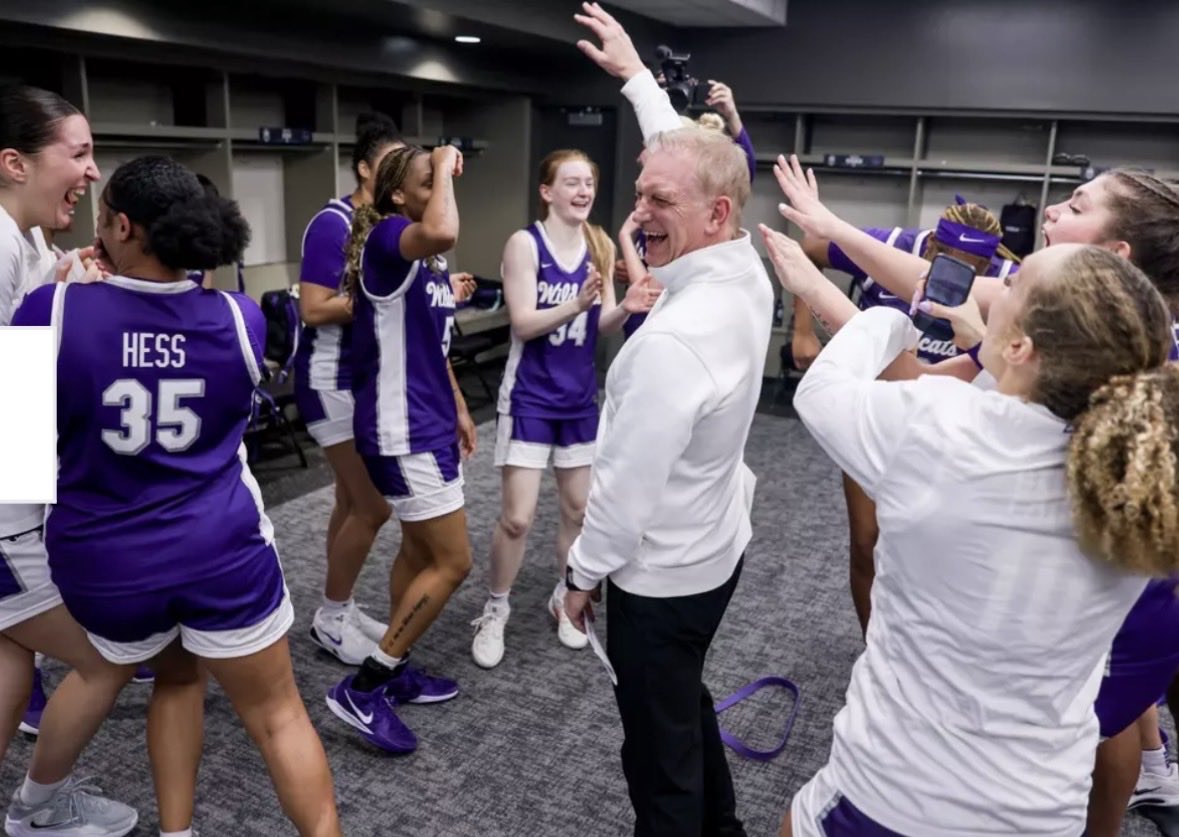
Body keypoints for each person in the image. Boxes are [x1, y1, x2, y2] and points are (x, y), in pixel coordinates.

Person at [772, 153, 1179, 836]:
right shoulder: (1139, 457)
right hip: (1037, 806)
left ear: (1022, 344)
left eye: (1006, 295)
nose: (986, 296)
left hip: (894, 795)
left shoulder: (939, 428)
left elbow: (849, 395)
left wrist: (850, 306)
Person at [13, 155, 341, 837]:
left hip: (107, 566)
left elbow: (17, 446)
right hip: (220, 550)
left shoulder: (53, 306)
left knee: (179, 677)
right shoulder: (240, 318)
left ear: (122, 226)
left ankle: (176, 832)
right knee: (279, 715)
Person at [566, 6, 771, 834]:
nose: (639, 210)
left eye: (658, 200)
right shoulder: (741, 266)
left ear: (716, 217)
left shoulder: (671, 341)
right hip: (715, 549)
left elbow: (621, 491)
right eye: (638, 190)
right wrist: (637, 81)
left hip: (659, 580)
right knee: (683, 710)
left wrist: (580, 579)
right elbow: (692, 164)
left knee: (656, 755)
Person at [0, 83, 141, 837]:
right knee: (107, 656)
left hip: (19, 496)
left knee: (13, 658)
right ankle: (38, 809)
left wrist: (61, 288)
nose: (92, 172)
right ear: (15, 162)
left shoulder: (25, 242)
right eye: (78, 154)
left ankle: (30, 808)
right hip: (4, 509)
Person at [469, 149, 659, 669]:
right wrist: (575, 304)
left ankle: (564, 595)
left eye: (589, 183)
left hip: (578, 401)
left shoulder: (598, 244)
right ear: (547, 191)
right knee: (516, 518)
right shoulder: (524, 244)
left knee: (578, 511)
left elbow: (599, 326)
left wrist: (626, 307)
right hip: (530, 398)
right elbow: (523, 324)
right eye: (571, 182)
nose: (583, 191)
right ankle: (495, 608)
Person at [793, 202, 1021, 636]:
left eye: (976, 269)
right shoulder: (891, 246)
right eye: (952, 266)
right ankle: (871, 647)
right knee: (866, 541)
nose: (962, 280)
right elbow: (810, 247)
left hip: (950, 425)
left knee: (934, 554)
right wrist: (803, 327)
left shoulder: (1007, 284)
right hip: (877, 414)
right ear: (931, 247)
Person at [324, 143, 476, 755]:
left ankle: (397, 661)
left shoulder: (426, 260)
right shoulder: (391, 237)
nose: (440, 183)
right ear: (395, 196)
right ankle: (365, 686)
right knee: (453, 561)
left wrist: (461, 405)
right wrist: (442, 161)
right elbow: (441, 226)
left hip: (429, 419)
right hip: (401, 429)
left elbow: (432, 343)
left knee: (419, 551)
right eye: (426, 179)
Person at [295, 112, 401, 665]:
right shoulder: (334, 222)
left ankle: (342, 603)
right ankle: (332, 618)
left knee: (348, 499)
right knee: (374, 506)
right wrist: (384, 298)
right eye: (389, 164)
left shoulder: (388, 223)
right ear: (364, 168)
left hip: (364, 380)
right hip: (327, 379)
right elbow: (313, 309)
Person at [620, 77, 755, 342]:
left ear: (717, 213)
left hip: (664, 334)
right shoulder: (651, 210)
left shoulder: (687, 217)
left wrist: (733, 116)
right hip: (638, 331)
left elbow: (740, 170)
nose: (642, 210)